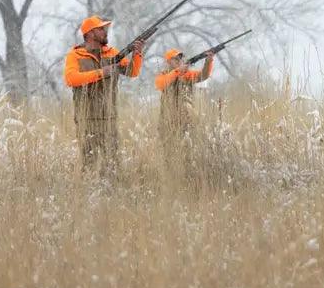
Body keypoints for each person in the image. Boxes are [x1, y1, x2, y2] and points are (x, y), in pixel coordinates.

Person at [63, 16, 144, 175]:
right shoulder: (75, 55)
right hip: (87, 118)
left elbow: (132, 72)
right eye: (101, 29)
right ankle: (90, 195)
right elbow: (71, 79)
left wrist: (137, 54)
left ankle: (113, 196)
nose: (105, 31)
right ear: (90, 33)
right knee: (90, 163)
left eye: (105, 28)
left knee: (112, 163)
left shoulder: (112, 52)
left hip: (109, 117)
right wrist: (101, 72)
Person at [154, 49, 214, 167]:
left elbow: (203, 75)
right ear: (168, 62)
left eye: (180, 58)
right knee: (168, 155)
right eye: (175, 59)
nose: (179, 60)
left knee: (188, 154)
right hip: (167, 123)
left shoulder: (187, 75)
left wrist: (208, 61)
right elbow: (161, 84)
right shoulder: (163, 75)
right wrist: (177, 71)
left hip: (186, 121)